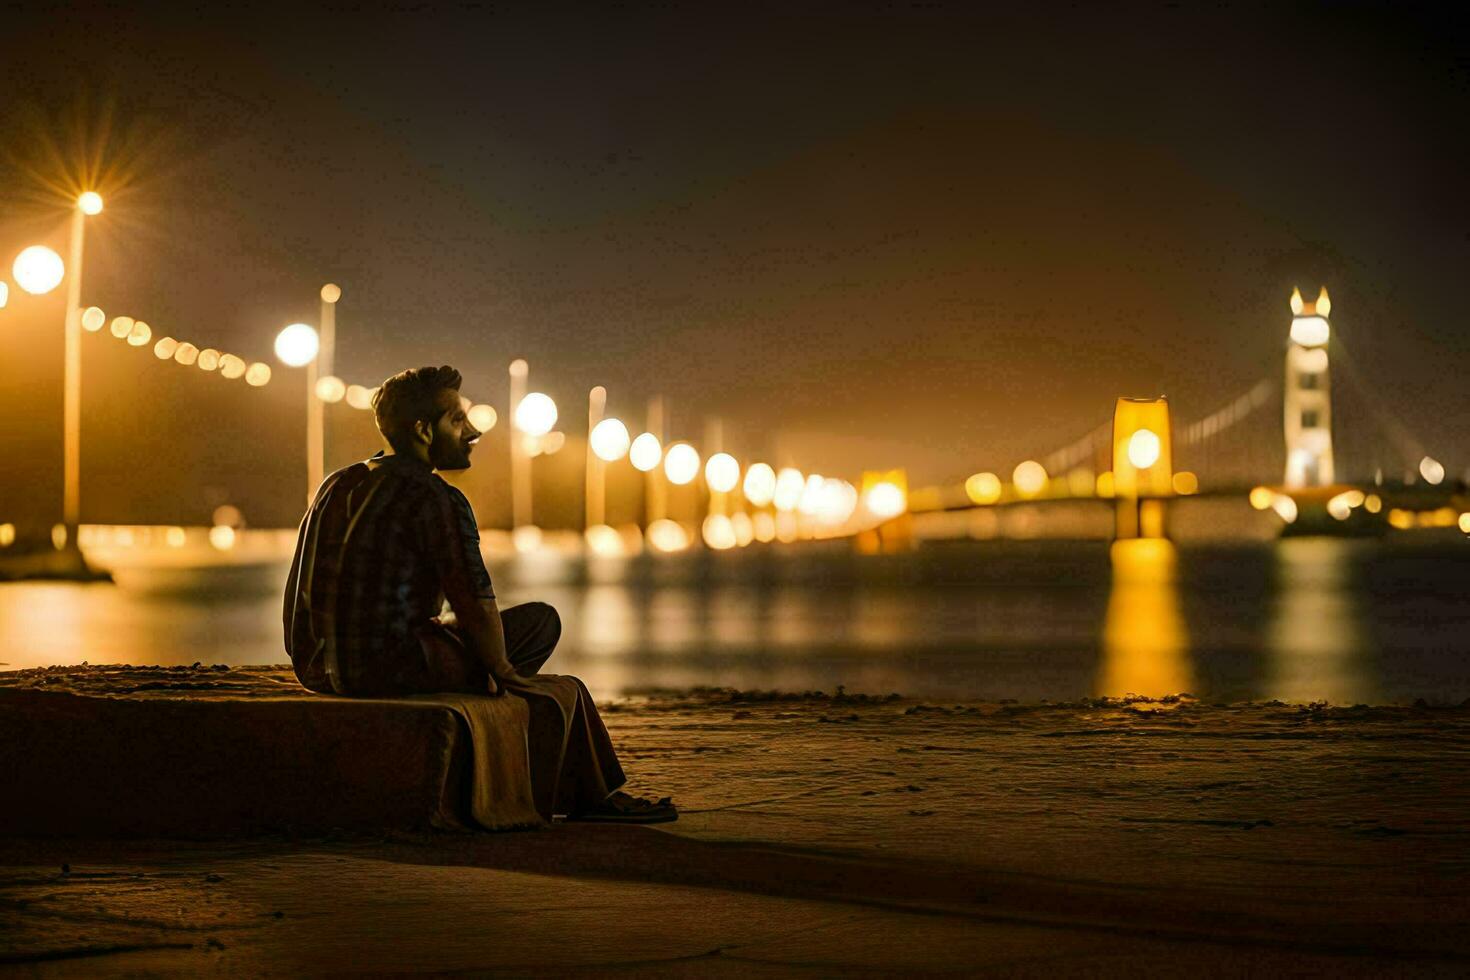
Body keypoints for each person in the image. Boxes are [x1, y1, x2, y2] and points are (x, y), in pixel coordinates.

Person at [283, 364, 674, 823]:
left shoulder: (337, 484)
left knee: (475, 634)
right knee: (542, 624)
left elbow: (299, 589)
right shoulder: (436, 498)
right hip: (388, 669)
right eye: (457, 421)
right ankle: (592, 798)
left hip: (317, 667)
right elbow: (475, 603)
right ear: (423, 430)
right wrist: (505, 671)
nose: (473, 432)